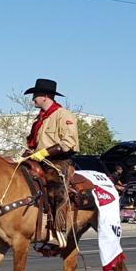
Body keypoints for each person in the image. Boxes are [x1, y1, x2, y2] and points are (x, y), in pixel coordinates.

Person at [23, 78, 79, 248]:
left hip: (58, 160)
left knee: (55, 185)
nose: (33, 99)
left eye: (35, 95)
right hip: (38, 158)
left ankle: (59, 231)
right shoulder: (40, 118)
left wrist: (44, 153)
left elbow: (68, 142)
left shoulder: (63, 115)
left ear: (45, 96)